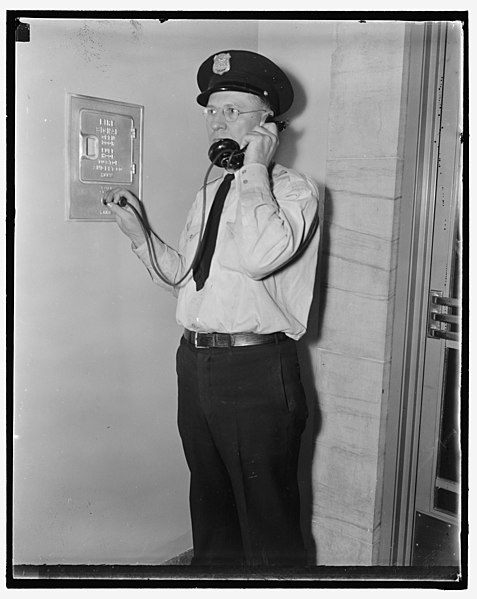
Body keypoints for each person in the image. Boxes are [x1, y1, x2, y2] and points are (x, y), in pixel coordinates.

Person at [105, 50, 320, 567]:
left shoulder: (293, 191)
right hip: (196, 364)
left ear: (267, 124)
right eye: (211, 110)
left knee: (269, 527)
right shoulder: (209, 194)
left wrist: (254, 168)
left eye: (232, 111)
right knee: (211, 510)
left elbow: (259, 258)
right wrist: (141, 238)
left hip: (257, 370)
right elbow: (185, 281)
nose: (216, 122)